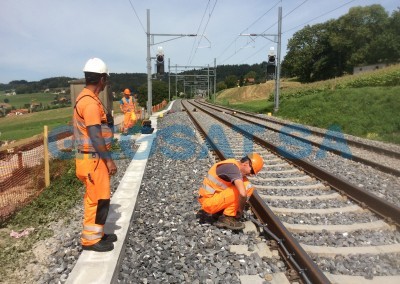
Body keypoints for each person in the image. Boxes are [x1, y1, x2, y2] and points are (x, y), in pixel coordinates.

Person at [73, 57, 118, 252]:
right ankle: (90, 240)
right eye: (105, 79)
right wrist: (109, 162)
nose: (106, 82)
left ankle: (97, 232)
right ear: (101, 79)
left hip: (91, 159)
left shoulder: (87, 99)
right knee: (97, 199)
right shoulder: (90, 104)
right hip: (93, 159)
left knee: (99, 197)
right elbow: (95, 136)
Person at [198, 152, 264, 230]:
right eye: (252, 171)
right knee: (247, 187)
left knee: (245, 183)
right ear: (246, 163)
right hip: (208, 204)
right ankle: (227, 218)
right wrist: (240, 210)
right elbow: (243, 194)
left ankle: (219, 213)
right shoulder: (233, 170)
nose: (251, 175)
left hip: (211, 200)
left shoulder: (233, 166)